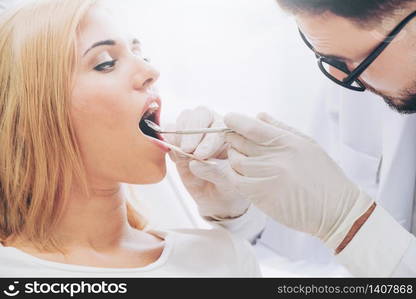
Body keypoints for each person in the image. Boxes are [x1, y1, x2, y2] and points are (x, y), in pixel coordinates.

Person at [0, 0, 260, 277]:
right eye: (106, 63)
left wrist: (236, 212)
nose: (151, 72)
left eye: (141, 55)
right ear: (32, 116)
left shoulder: (224, 256)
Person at [166, 0, 416, 277]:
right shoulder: (356, 74)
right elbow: (327, 247)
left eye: (357, 59)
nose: (338, 76)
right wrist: (243, 209)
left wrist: (347, 220)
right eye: (326, 56)